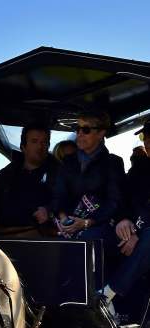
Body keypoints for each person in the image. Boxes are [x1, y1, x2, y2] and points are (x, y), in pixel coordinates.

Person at [100, 120, 150, 317]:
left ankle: (106, 295)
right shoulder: (139, 169)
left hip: (144, 234)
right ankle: (81, 303)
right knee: (94, 237)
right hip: (130, 231)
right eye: (144, 136)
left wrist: (136, 229)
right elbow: (122, 199)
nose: (147, 140)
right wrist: (123, 220)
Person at [51, 110, 125, 240]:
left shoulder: (113, 163)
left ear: (101, 133)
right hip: (67, 227)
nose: (79, 134)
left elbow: (114, 202)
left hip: (99, 228)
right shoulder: (67, 162)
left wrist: (87, 222)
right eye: (77, 129)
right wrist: (63, 219)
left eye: (85, 130)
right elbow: (58, 194)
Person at [0, 124, 55, 235]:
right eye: (34, 141)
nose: (40, 147)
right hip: (2, 235)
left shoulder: (59, 174)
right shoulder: (7, 173)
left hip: (40, 238)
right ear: (23, 146)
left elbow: (69, 203)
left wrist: (49, 211)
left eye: (44, 142)